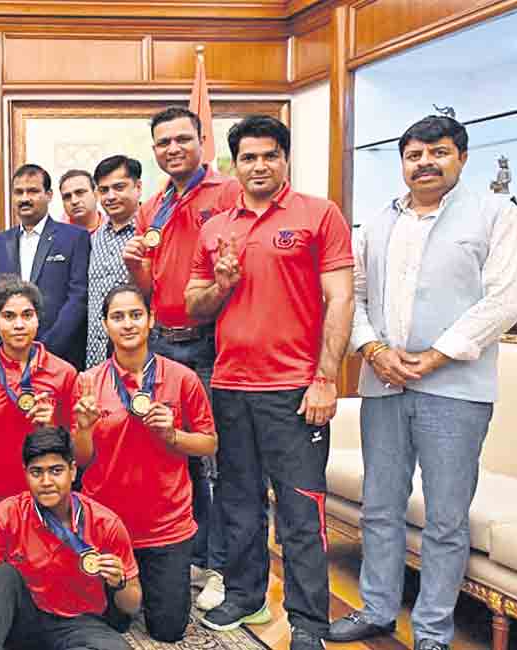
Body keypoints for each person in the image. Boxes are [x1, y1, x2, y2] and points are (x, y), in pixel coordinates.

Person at [329, 116, 517, 650]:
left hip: (455, 391)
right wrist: (374, 349)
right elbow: (355, 297)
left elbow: (505, 300)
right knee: (381, 505)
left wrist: (435, 356)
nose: (425, 163)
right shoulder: (378, 222)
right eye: (414, 155)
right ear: (403, 162)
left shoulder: (495, 215)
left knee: (445, 518)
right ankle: (378, 610)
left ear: (461, 157)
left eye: (438, 152)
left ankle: (433, 631)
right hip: (383, 383)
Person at [185, 115, 353, 649]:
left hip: (296, 390)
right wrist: (221, 284)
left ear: (285, 159)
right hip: (231, 387)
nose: (259, 165)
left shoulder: (318, 215)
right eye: (249, 157)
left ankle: (308, 623)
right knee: (237, 501)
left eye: (269, 155)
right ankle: (245, 594)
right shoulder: (215, 228)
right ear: (234, 164)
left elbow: (341, 299)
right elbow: (193, 305)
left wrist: (326, 379)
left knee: (302, 510)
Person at [123, 106, 241, 610]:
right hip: (164, 342)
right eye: (162, 142)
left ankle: (223, 569)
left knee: (219, 460)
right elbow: (149, 288)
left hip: (211, 340)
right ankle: (191, 555)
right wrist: (136, 269)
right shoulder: (153, 206)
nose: (172, 149)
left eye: (181, 139)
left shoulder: (229, 194)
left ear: (201, 140)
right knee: (174, 451)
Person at [73, 284, 217, 642]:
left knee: (168, 630)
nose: (128, 324)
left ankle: (150, 587)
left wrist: (173, 436)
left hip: (166, 527)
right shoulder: (88, 383)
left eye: (136, 315)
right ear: (105, 325)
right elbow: (79, 461)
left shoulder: (182, 378)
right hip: (107, 527)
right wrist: (85, 429)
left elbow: (208, 443)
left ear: (151, 319)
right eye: (117, 317)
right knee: (110, 625)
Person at [0, 427, 141, 650]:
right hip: (23, 619)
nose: (46, 481)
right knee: (4, 576)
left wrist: (119, 582)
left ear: (73, 471)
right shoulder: (6, 513)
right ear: (25, 472)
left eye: (56, 471)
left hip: (77, 623)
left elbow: (132, 605)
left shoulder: (106, 523)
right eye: (36, 472)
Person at [0, 276, 77, 514]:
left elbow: (75, 445)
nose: (19, 325)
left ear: (37, 319)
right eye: (9, 316)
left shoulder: (64, 373)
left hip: (46, 495)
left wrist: (52, 424)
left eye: (27, 315)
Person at [0, 164, 90, 369]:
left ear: (48, 195)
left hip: (60, 358)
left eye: (33, 191)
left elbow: (78, 298)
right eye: (19, 192)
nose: (25, 198)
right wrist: (3, 346)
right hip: (6, 361)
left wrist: (46, 350)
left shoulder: (74, 238)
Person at [85, 156, 142, 369]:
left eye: (119, 187)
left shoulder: (150, 233)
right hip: (96, 357)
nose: (110, 196)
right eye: (103, 190)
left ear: (138, 187)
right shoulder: (94, 238)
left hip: (138, 354)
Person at [59, 169, 104, 233]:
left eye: (80, 192)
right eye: (67, 196)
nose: (74, 201)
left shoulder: (114, 226)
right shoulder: (55, 236)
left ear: (96, 195)